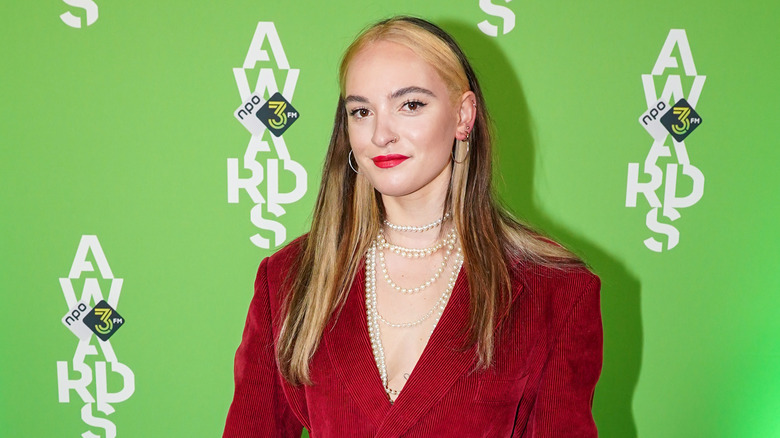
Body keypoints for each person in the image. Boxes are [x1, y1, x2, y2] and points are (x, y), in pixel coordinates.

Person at [223, 16, 602, 438]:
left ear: (463, 115)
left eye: (411, 104)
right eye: (361, 111)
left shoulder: (553, 291)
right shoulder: (290, 278)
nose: (381, 134)